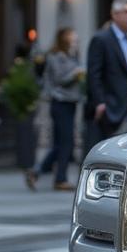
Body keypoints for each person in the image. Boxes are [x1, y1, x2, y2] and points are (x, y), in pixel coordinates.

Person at [26, 28, 83, 191]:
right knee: (66, 143)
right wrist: (76, 73)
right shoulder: (55, 56)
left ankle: (36, 172)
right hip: (60, 102)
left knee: (60, 143)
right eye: (72, 36)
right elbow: (59, 79)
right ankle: (60, 179)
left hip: (70, 102)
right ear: (64, 38)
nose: (75, 38)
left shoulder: (72, 55)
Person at [86, 0, 127, 140]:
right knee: (116, 153)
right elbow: (94, 75)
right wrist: (100, 103)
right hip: (114, 109)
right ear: (114, 14)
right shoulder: (101, 39)